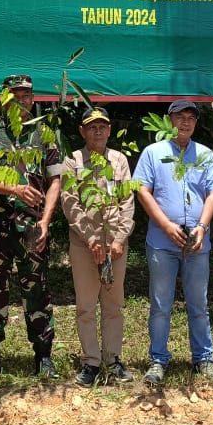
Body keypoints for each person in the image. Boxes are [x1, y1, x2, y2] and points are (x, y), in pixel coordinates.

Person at [0, 74, 65, 383]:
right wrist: (15, 189)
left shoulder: (45, 134)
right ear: (4, 98)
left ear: (33, 98)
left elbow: (55, 181)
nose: (21, 100)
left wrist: (46, 221)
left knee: (36, 289)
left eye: (26, 95)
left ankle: (43, 357)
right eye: (15, 95)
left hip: (31, 228)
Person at [133, 99, 213, 386]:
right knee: (161, 304)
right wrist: (165, 224)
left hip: (198, 243)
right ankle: (158, 360)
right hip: (162, 242)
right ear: (169, 120)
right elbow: (142, 191)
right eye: (179, 117)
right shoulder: (153, 152)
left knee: (199, 303)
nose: (185, 122)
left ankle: (204, 358)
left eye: (191, 118)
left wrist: (202, 227)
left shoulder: (205, 154)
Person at [60, 107, 136, 386]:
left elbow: (126, 202)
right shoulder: (73, 161)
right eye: (92, 127)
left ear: (109, 129)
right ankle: (91, 361)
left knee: (114, 304)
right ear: (82, 131)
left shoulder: (119, 160)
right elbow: (70, 202)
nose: (98, 131)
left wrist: (119, 238)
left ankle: (113, 359)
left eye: (103, 126)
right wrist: (90, 238)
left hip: (115, 246)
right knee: (86, 306)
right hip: (84, 246)